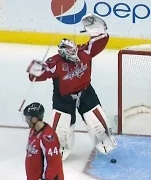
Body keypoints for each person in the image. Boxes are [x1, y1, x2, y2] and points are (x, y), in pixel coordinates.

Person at [26, 13, 117, 161]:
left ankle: (104, 144)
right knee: (62, 131)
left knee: (98, 125)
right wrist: (35, 70)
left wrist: (98, 30)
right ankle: (59, 151)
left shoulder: (84, 52)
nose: (75, 56)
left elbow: (101, 40)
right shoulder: (55, 63)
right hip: (64, 98)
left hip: (86, 92)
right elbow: (35, 76)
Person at [23, 102, 64, 180]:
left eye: (28, 118)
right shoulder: (33, 131)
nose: (26, 120)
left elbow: (54, 163)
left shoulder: (48, 137)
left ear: (34, 119)